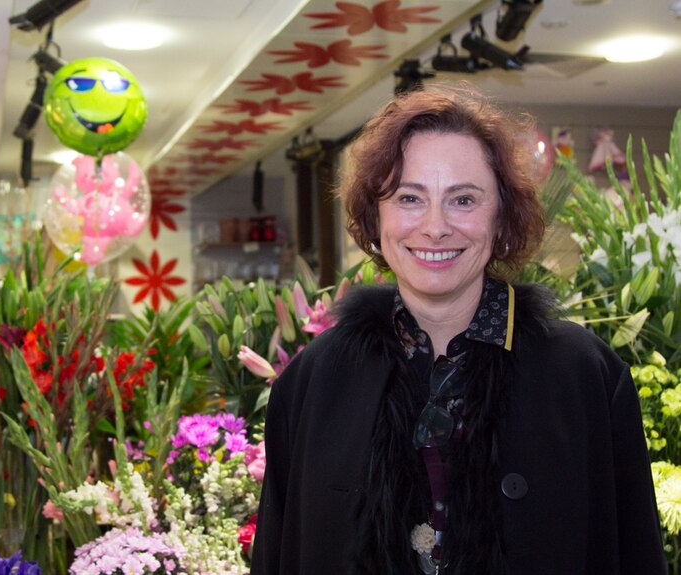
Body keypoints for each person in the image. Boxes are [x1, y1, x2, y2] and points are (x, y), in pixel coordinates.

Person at [250, 84, 666, 575]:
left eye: (463, 200)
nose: (435, 226)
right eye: (409, 197)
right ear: (374, 215)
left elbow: (635, 552)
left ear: (502, 216)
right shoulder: (315, 380)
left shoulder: (585, 375)